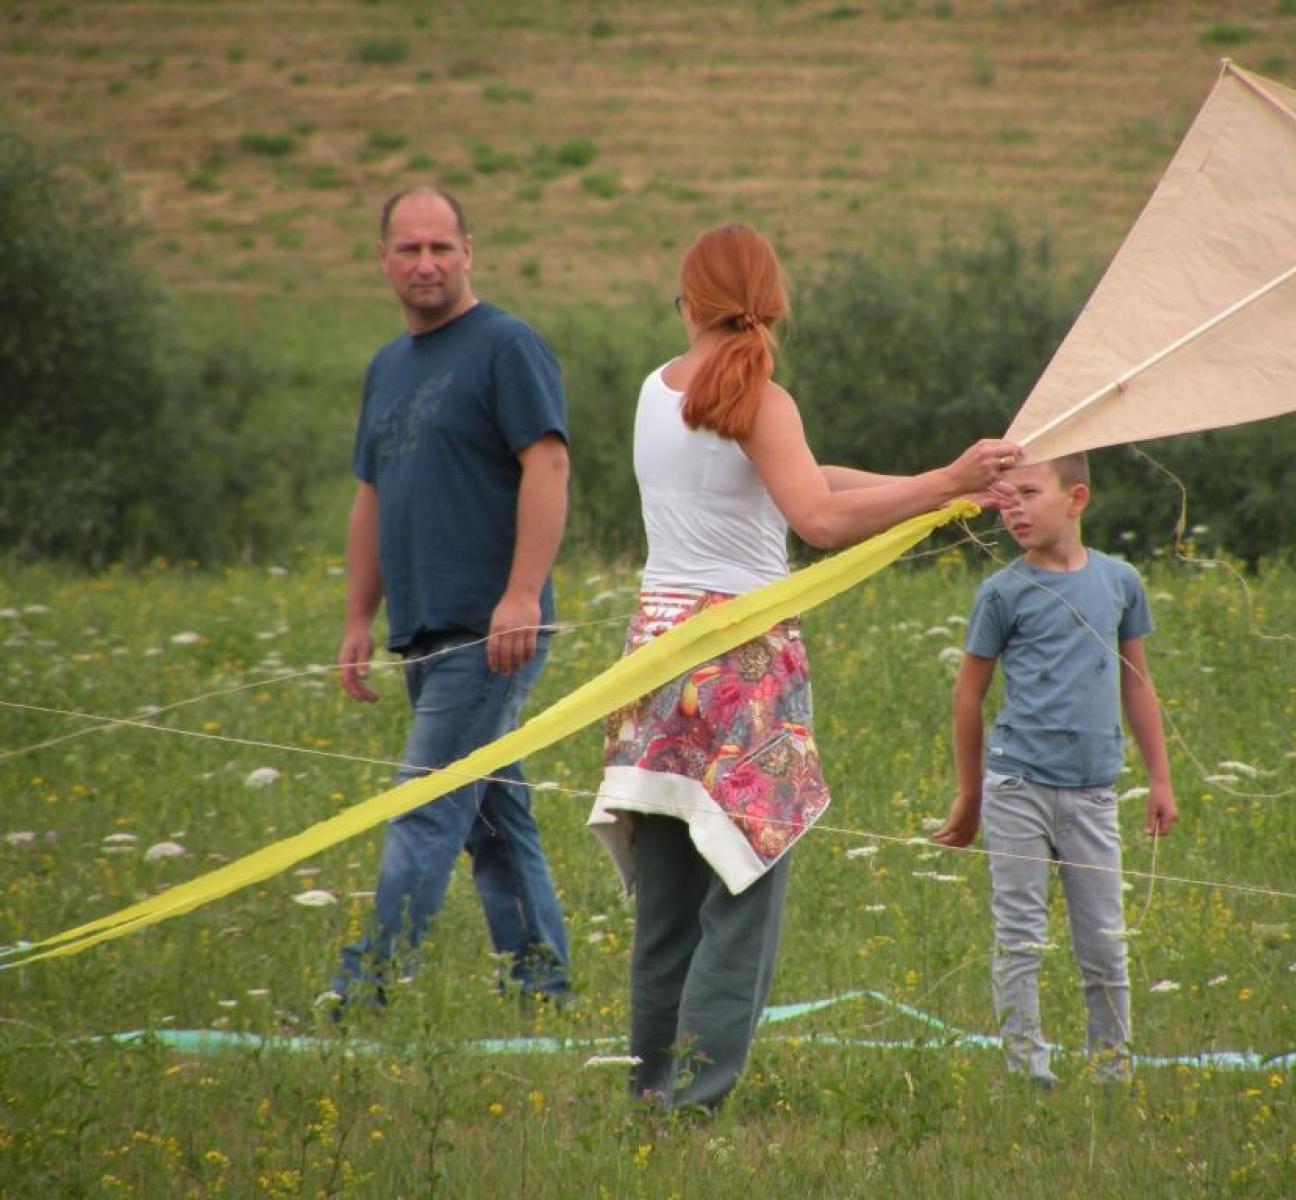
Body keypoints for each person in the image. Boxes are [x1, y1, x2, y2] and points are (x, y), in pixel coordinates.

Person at [587, 223, 1023, 1114]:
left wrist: (940, 486)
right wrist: (946, 474)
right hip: (742, 663)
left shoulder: (652, 392)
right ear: (773, 300)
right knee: (745, 879)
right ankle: (697, 1100)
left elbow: (803, 481)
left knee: (669, 897)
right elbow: (818, 521)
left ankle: (651, 1090)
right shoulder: (759, 398)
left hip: (656, 659)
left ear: (687, 300)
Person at [325, 186, 572, 1010]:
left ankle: (365, 993)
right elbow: (373, 495)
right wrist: (361, 615)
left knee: (425, 806)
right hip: (421, 629)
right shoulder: (387, 367)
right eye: (408, 249)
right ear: (384, 261)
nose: (425, 263)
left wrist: (523, 594)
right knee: (494, 818)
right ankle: (544, 989)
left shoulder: (506, 346)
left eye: (440, 246)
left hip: (490, 626)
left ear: (470, 251)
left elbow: (549, 464)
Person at [933, 452, 1177, 1088]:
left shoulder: (1120, 581)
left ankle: (1112, 1071)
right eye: (1004, 498)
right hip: (1017, 788)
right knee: (1020, 937)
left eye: (1028, 493)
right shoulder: (1002, 591)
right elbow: (968, 696)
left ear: (1077, 499)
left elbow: (1138, 683)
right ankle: (1026, 1074)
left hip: (1095, 792)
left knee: (1105, 944)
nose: (1012, 508)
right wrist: (970, 796)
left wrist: (1160, 778)